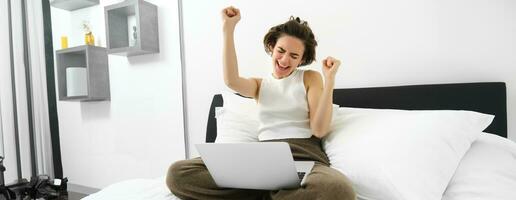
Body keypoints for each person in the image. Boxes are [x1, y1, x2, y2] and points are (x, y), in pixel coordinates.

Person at [166, 6, 356, 200]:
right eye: (281, 51)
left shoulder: (310, 78)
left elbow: (319, 129)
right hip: (262, 161)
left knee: (338, 191)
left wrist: (330, 79)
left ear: (302, 60)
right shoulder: (259, 85)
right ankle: (268, 192)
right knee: (178, 173)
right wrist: (228, 28)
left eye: (294, 56)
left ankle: (263, 194)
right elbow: (231, 80)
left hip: (304, 157)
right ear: (272, 47)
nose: (284, 60)